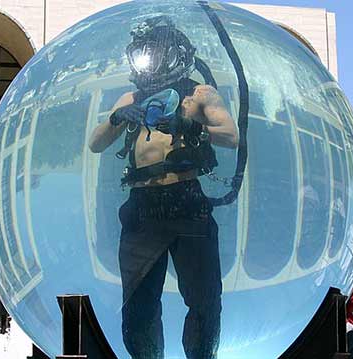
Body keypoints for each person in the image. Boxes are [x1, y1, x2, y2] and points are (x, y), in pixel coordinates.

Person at [88, 15, 238, 359]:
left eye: (157, 51)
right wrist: (116, 117)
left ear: (174, 52)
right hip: (143, 206)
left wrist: (191, 123)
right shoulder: (130, 97)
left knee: (204, 299)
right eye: (146, 52)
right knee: (138, 303)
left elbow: (231, 136)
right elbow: (96, 144)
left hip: (187, 201)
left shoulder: (199, 94)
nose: (152, 59)